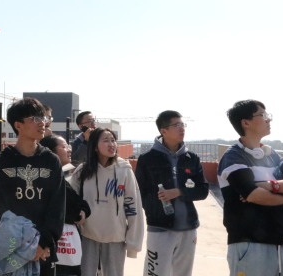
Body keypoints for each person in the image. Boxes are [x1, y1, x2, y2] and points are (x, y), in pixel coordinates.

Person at [0, 97, 65, 276]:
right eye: (35, 118)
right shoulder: (2, 161)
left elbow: (57, 206)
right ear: (18, 125)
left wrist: (42, 243)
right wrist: (21, 246)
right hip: (12, 248)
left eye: (43, 118)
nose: (42, 123)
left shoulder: (51, 160)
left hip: (43, 250)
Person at [135, 110, 209, 276]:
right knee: (156, 273)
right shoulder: (147, 159)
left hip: (188, 227)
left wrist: (179, 192)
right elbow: (140, 193)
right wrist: (155, 211)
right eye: (176, 125)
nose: (182, 128)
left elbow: (203, 190)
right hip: (160, 227)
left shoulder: (192, 158)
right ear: (164, 131)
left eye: (182, 124)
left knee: (183, 273)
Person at [218, 100, 283, 276]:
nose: (268, 119)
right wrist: (277, 189)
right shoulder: (233, 157)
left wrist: (270, 186)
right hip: (249, 244)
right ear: (246, 123)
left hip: (279, 242)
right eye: (262, 115)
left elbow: (258, 193)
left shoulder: (273, 156)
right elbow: (254, 195)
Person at [69, 127, 144, 276]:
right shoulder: (83, 171)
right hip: (87, 236)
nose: (111, 144)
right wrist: (78, 212)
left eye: (113, 140)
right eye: (106, 140)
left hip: (116, 238)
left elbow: (133, 206)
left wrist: (133, 244)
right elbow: (70, 198)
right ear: (95, 146)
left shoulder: (124, 170)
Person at [40, 135, 89, 276]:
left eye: (69, 146)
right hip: (52, 246)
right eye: (64, 146)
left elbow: (79, 204)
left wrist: (83, 209)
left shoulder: (60, 176)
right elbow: (71, 209)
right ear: (51, 152)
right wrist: (81, 212)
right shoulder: (49, 179)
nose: (69, 149)